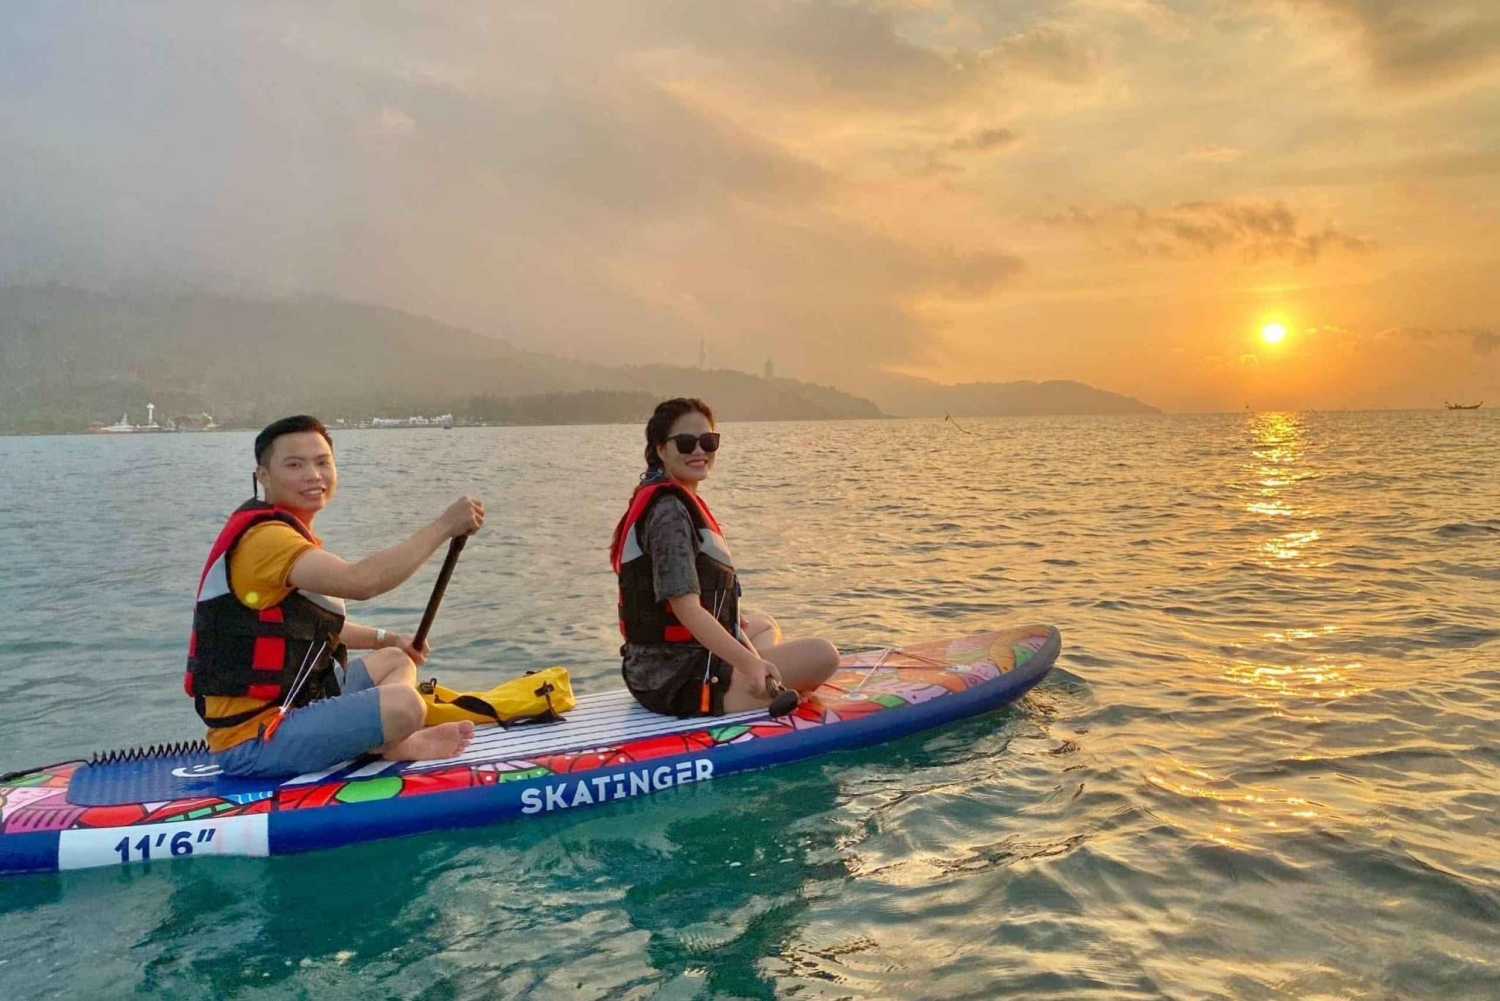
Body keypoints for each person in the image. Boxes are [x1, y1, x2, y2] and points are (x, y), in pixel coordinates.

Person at [184, 415, 484, 778]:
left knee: (395, 660)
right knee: (406, 706)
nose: (313, 475)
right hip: (253, 740)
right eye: (294, 465)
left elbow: (313, 625)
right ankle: (392, 742)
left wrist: (390, 640)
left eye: (323, 462)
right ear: (263, 476)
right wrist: (443, 527)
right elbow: (362, 582)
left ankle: (386, 739)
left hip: (296, 706)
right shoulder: (265, 541)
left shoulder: (288, 534)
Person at [609, 398, 839, 716]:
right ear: (660, 450)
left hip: (657, 667)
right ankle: (752, 681)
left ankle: (754, 674)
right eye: (686, 443)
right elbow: (685, 608)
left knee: (761, 625)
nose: (699, 451)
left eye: (708, 441)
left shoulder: (672, 499)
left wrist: (731, 619)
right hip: (675, 679)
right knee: (824, 655)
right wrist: (749, 662)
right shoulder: (669, 512)